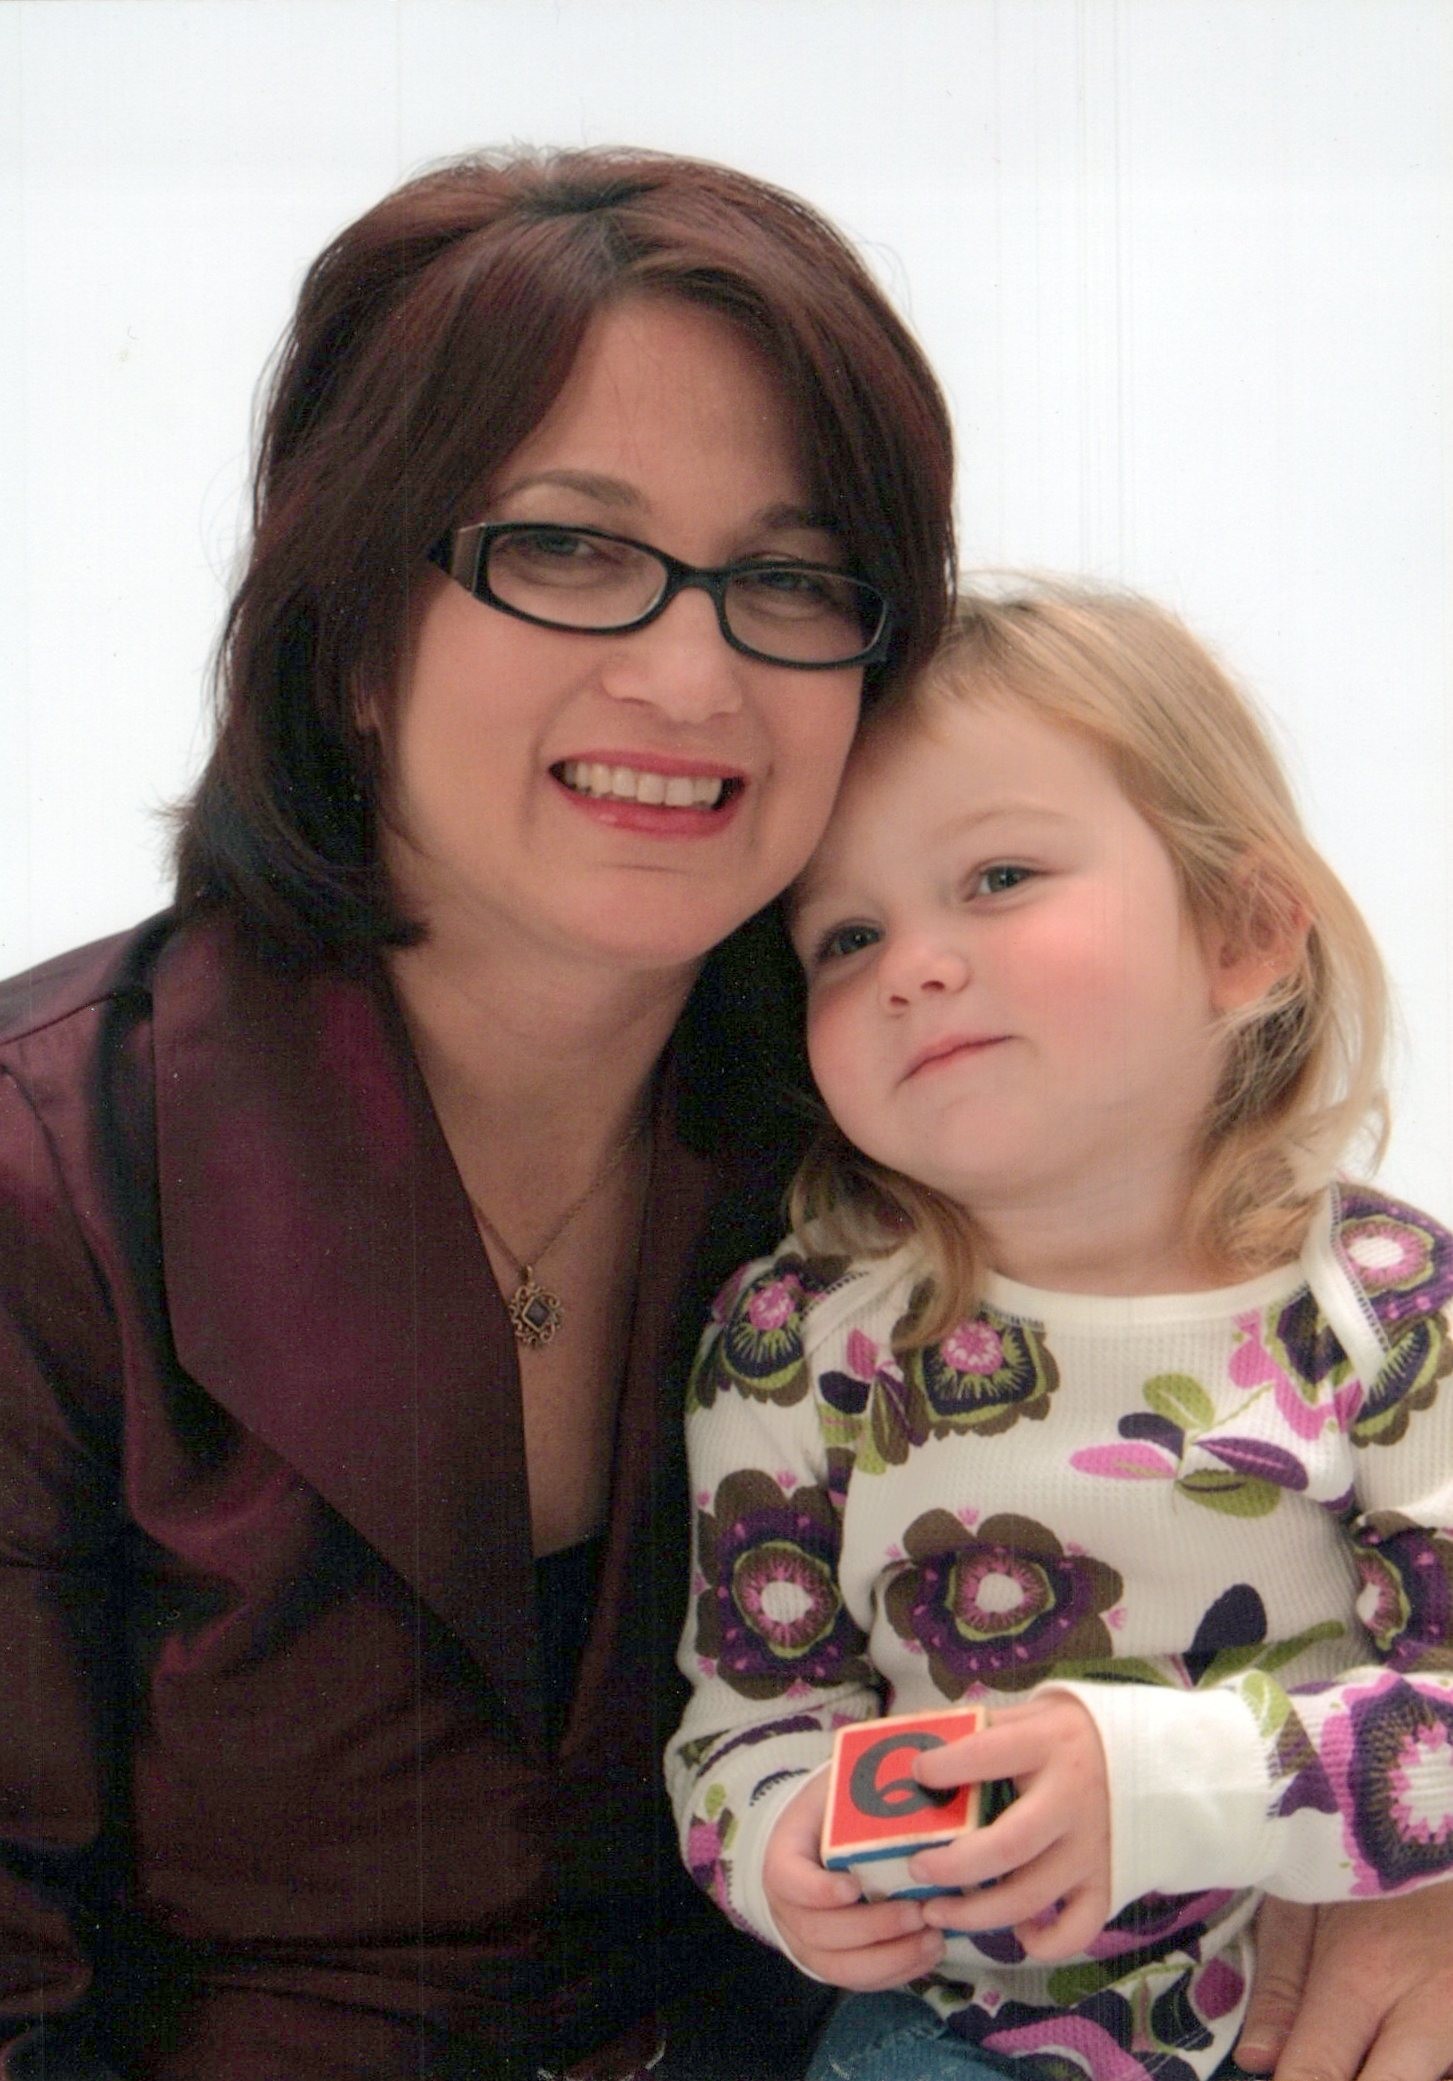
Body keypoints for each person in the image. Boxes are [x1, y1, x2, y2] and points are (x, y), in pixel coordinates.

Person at [0, 146, 956, 2079]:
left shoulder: (908, 1119)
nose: (689, 674)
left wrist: (1401, 1868)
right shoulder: (48, 1176)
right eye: (569, 549)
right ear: (352, 625)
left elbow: (1281, 1505)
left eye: (788, 578)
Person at [667, 586, 1453, 2081]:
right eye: (845, 936)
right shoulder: (795, 1344)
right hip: (960, 2031)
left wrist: (1162, 1782)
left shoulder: (1389, 1304)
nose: (910, 964)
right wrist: (776, 1847)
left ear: (1241, 931)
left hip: (1330, 2011)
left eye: (1000, 875)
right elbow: (749, 1715)